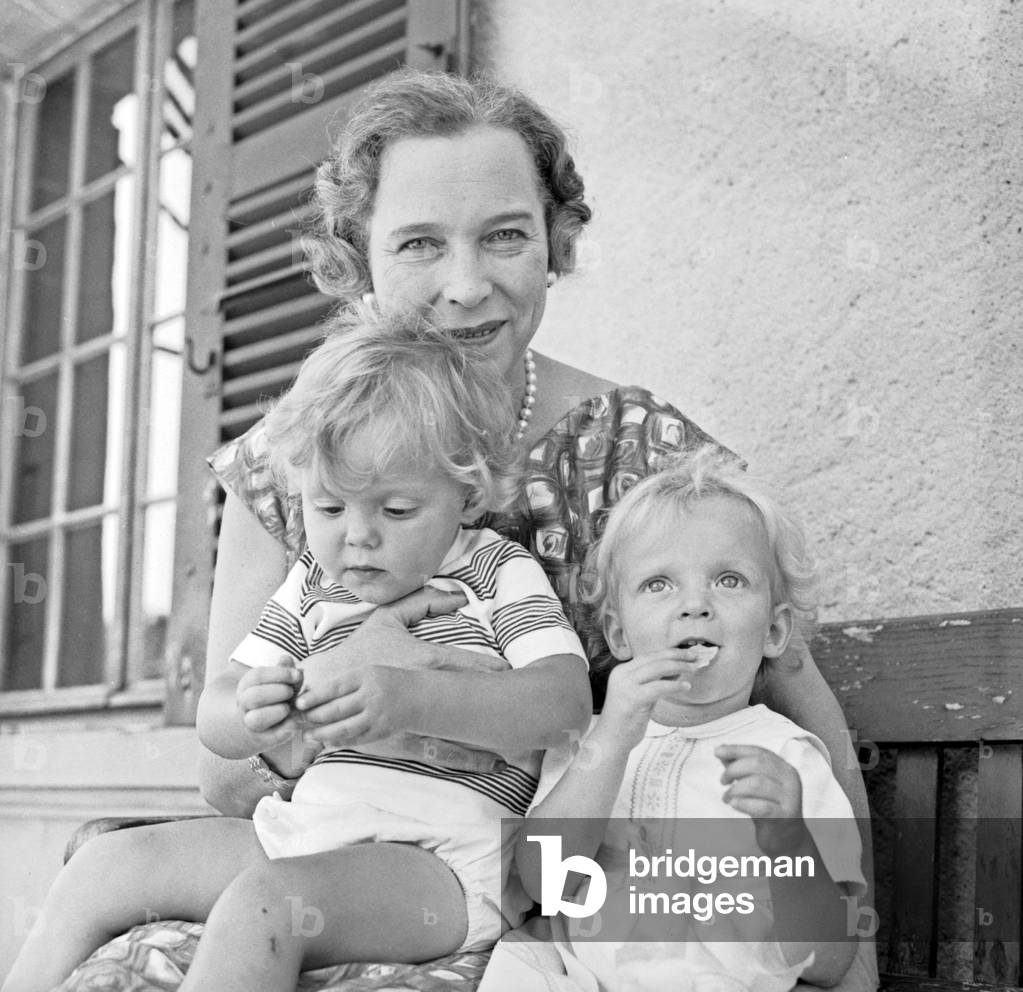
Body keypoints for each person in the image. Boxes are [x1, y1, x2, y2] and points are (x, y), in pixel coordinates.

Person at [46, 69, 876, 991]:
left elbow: (787, 682)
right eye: (418, 245)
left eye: (506, 237)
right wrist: (334, 704)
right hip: (325, 861)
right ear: (358, 257)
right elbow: (223, 769)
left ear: (554, 244)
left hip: (553, 917)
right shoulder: (294, 457)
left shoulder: (641, 454)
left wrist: (856, 957)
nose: (467, 284)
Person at [1, 307, 589, 992]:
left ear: (465, 494)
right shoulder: (313, 581)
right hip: (301, 832)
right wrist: (261, 707)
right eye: (329, 508)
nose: (357, 537)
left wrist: (411, 695)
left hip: (440, 863)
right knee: (106, 865)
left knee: (269, 908)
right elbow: (216, 717)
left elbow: (563, 704)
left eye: (395, 511)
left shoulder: (494, 570)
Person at [517, 449, 865, 992]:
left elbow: (827, 960)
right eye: (659, 584)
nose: (695, 604)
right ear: (618, 634)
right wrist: (609, 742)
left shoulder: (789, 761)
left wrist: (789, 839)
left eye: (729, 580)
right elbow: (542, 883)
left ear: (774, 632)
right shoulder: (590, 740)